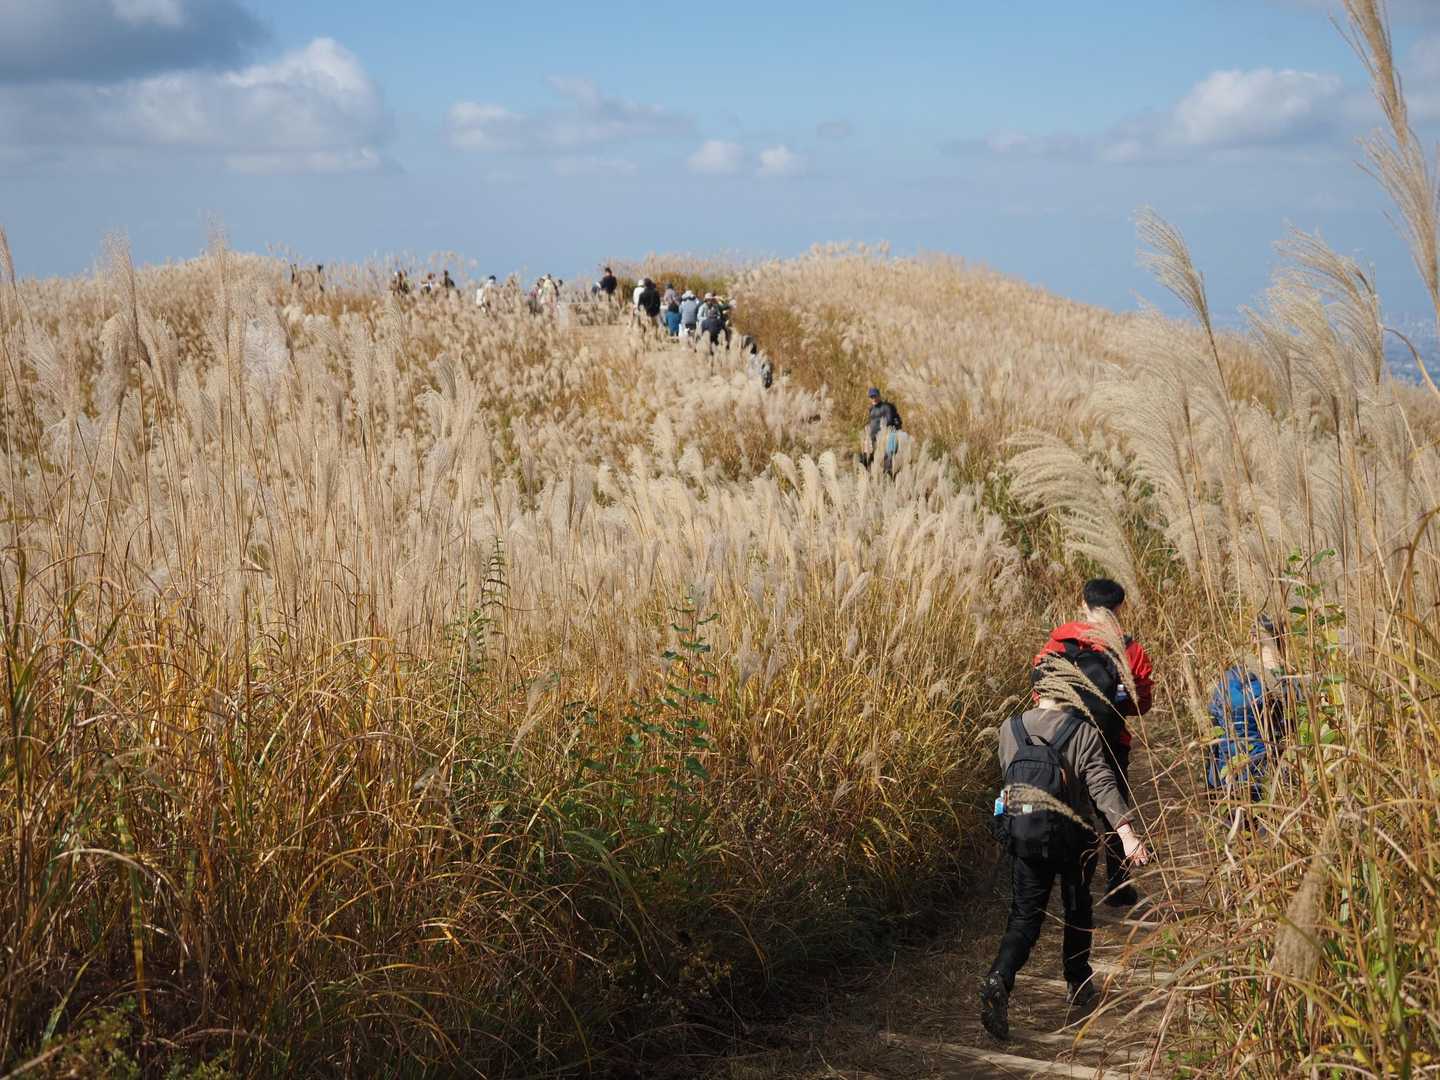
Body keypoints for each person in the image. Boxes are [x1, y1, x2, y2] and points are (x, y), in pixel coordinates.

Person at [979, 666, 1151, 1042]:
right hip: (1075, 837)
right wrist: (1126, 835)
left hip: (1026, 834)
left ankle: (999, 977)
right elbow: (1102, 785)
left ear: (1035, 694)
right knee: (1077, 908)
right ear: (1071, 693)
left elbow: (1009, 779)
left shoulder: (1010, 728)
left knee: (1024, 919)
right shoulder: (1083, 731)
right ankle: (1078, 982)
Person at [1033, 577, 1154, 907]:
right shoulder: (1129, 650)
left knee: (1073, 812)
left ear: (1083, 604)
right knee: (1113, 809)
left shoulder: (1057, 645)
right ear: (1119, 608)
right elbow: (1142, 703)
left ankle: (1075, 888)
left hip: (1065, 742)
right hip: (1112, 741)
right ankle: (1118, 887)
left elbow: (1039, 693)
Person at [1206, 615, 1295, 805]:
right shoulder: (1289, 686)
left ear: (1253, 638)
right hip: (1269, 783)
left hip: (1228, 778)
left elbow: (1214, 736)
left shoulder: (1228, 679)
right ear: (1284, 638)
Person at [862, 388, 903, 475]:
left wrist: (883, 435)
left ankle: (888, 475)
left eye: (875, 396)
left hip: (885, 435)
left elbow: (889, 421)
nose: (874, 398)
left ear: (879, 396)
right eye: (871, 397)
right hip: (872, 436)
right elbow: (871, 423)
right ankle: (867, 475)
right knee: (866, 457)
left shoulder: (886, 407)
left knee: (888, 457)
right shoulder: (871, 409)